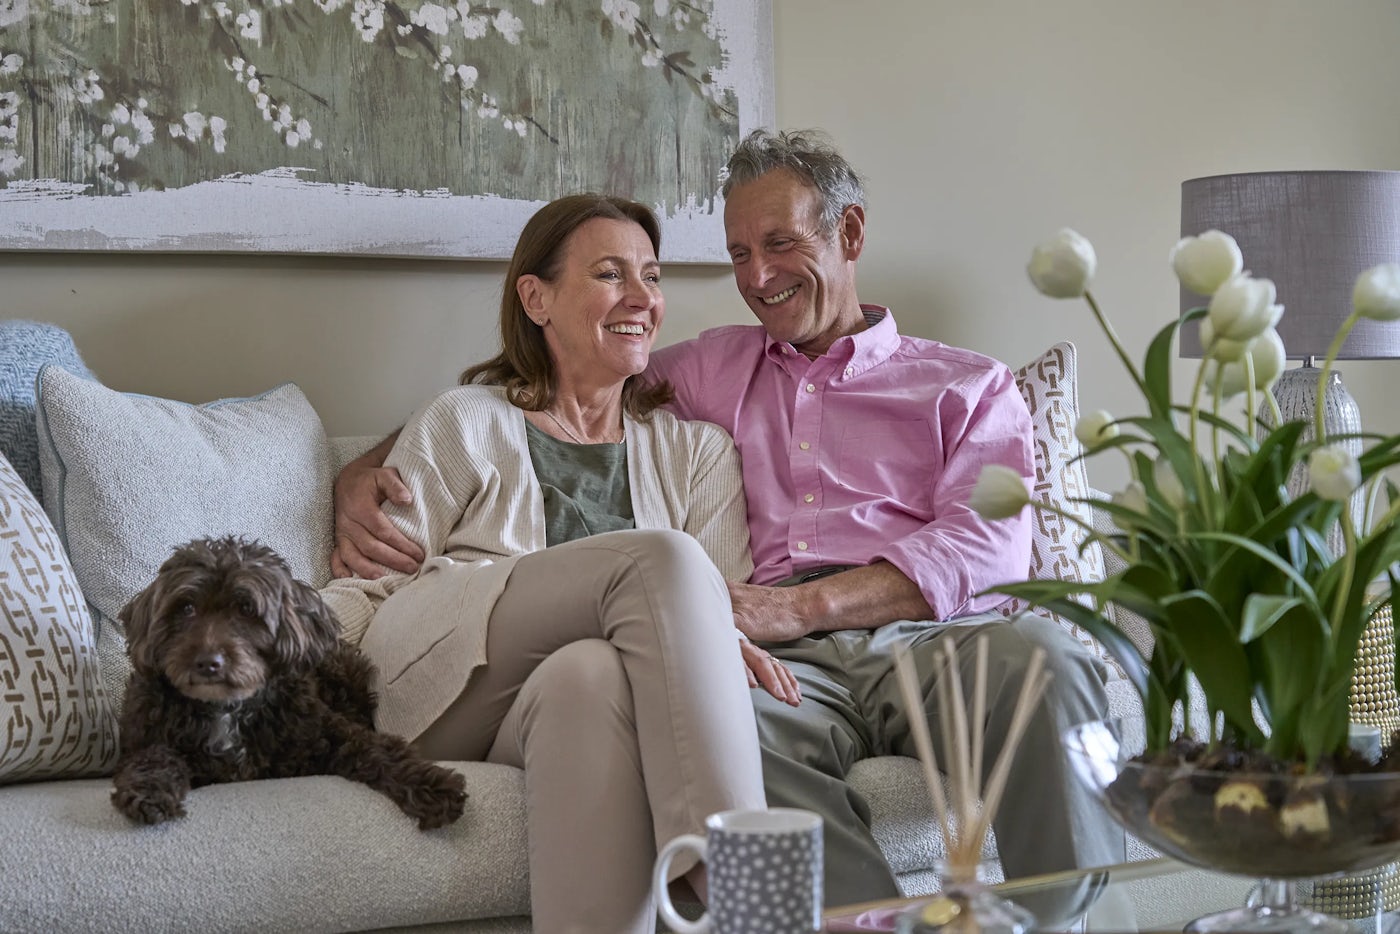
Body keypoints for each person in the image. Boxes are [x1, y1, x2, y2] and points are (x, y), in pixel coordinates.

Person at [335, 132, 1125, 909]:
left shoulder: (969, 386)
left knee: (1049, 659)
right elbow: (554, 386)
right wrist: (363, 469)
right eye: (739, 253)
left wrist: (802, 605)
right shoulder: (711, 368)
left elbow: (986, 545)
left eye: (779, 244)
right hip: (789, 667)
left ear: (848, 233)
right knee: (722, 723)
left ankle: (1069, 921)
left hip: (930, 637)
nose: (758, 276)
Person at [321, 194, 788, 934]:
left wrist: (713, 630)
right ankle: (746, 892)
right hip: (433, 684)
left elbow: (727, 606)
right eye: (610, 274)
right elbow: (359, 596)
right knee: (661, 559)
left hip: (540, 709)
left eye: (652, 277)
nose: (643, 299)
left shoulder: (698, 454)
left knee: (589, 674)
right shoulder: (464, 420)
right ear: (535, 297)